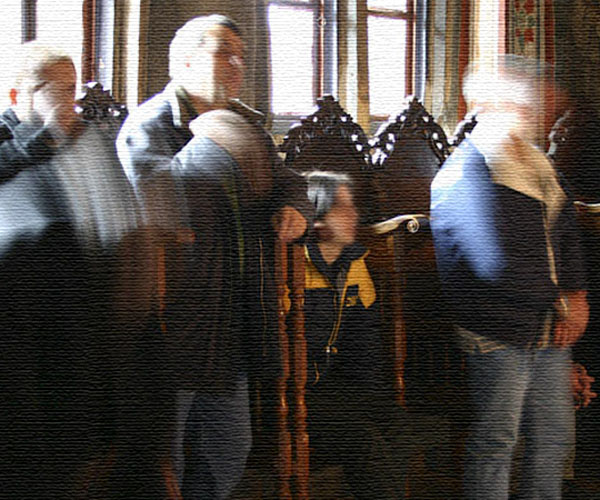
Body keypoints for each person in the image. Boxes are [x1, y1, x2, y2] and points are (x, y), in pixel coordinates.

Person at [117, 14, 309, 498]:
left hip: (234, 310)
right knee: (166, 453)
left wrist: (293, 207)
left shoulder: (243, 124)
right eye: (224, 52)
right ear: (184, 60)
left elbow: (288, 181)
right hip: (176, 316)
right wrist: (212, 142)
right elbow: (156, 199)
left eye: (241, 56)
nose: (237, 65)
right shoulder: (149, 124)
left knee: (229, 446)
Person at [430, 55, 589, 500]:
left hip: (544, 323)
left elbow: (566, 234)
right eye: (521, 97)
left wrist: (577, 295)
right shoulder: (467, 171)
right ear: (486, 102)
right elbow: (493, 263)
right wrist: (561, 302)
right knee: (497, 441)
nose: (535, 105)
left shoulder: (537, 164)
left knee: (554, 435)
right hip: (496, 326)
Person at [0, 42, 143, 499]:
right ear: (17, 95)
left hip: (81, 317)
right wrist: (39, 139)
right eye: (52, 89)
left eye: (70, 88)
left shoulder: (84, 140)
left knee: (80, 449)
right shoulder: (9, 139)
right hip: (20, 326)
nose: (66, 100)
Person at [298, 170, 412, 499]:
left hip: (334, 389)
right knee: (362, 439)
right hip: (296, 393)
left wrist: (370, 401)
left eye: (353, 205)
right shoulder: (293, 265)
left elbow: (364, 344)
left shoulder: (354, 262)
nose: (354, 215)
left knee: (398, 425)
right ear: (317, 221)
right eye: (342, 207)